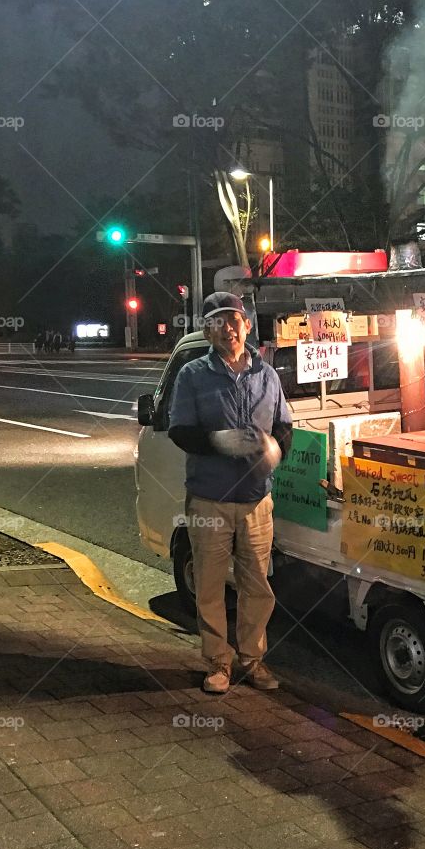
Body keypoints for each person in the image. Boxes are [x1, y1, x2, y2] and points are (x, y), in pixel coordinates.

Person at [168, 291, 292, 693]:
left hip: (257, 499)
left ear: (247, 325)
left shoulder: (266, 375)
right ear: (207, 330)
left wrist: (277, 449)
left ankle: (253, 660)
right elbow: (179, 430)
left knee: (257, 584)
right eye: (218, 321)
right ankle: (218, 663)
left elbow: (284, 424)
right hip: (210, 499)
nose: (228, 327)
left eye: (234, 319)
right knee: (209, 584)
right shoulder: (192, 375)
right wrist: (219, 441)